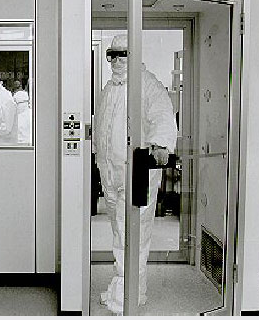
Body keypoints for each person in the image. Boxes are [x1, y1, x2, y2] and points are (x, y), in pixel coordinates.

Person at [94, 34, 178, 314]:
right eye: (113, 55)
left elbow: (163, 116)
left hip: (137, 173)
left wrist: (162, 144)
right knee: (119, 232)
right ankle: (128, 290)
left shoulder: (147, 84)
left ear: (135, 55)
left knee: (135, 234)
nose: (117, 61)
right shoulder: (110, 88)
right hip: (112, 174)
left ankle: (127, 295)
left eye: (123, 55)